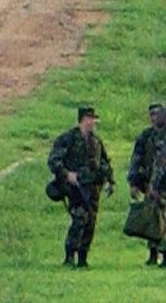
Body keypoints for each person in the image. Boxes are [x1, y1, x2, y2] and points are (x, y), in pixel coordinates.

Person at [46, 105, 113, 268]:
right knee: (79, 219)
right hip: (76, 188)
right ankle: (70, 255)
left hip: (93, 188)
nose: (93, 123)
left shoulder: (96, 141)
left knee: (90, 222)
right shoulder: (68, 138)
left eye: (94, 120)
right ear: (83, 120)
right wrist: (67, 174)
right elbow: (54, 161)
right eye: (90, 119)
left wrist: (110, 180)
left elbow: (104, 162)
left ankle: (83, 257)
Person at [128, 102, 166, 267]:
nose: (156, 118)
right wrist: (135, 181)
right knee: (157, 218)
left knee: (164, 219)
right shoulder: (154, 135)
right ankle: (157, 254)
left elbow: (162, 163)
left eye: (159, 114)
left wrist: (153, 186)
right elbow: (137, 159)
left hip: (165, 185)